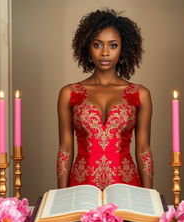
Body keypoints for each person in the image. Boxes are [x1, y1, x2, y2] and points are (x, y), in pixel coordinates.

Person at [57, 9, 154, 191]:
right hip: (81, 187)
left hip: (126, 187)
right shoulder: (69, 93)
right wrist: (62, 196)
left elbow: (143, 151)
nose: (105, 52)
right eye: (97, 45)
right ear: (87, 47)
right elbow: (65, 150)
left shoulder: (140, 94)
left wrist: (149, 197)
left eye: (113, 45)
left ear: (123, 48)